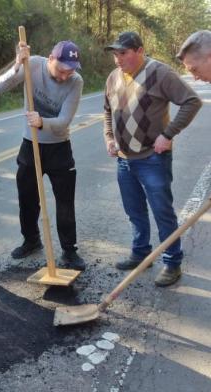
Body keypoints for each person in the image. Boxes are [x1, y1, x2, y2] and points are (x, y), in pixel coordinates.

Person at [103, 31, 202, 286]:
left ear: (139, 50)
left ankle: (171, 262)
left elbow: (192, 101)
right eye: (115, 54)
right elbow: (107, 110)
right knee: (134, 211)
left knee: (162, 211)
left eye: (123, 53)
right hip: (124, 159)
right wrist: (109, 138)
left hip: (153, 159)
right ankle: (140, 253)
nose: (117, 59)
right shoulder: (113, 78)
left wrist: (168, 134)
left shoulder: (160, 73)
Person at [0, 40, 85, 271]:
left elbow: (64, 121)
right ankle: (31, 240)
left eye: (71, 70)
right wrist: (16, 65)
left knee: (65, 201)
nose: (66, 76)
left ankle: (69, 250)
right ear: (51, 59)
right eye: (62, 70)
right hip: (30, 144)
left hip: (59, 148)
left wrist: (42, 121)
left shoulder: (76, 82)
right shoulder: (32, 65)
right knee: (27, 198)